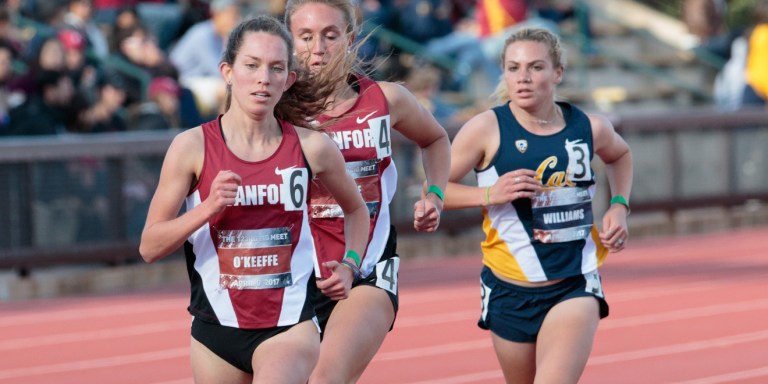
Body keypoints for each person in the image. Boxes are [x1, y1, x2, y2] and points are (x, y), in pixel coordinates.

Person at [138, 15, 370, 383]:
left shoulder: (312, 147)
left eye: (276, 68)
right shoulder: (190, 148)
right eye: (252, 65)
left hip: (288, 327)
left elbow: (357, 209)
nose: (264, 78)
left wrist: (351, 264)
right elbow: (150, 246)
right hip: (215, 330)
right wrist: (208, 208)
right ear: (227, 72)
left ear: (288, 80)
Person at [442, 28, 633, 383]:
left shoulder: (589, 127)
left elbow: (620, 155)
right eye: (513, 68)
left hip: (573, 282)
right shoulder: (486, 128)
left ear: (558, 73)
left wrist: (619, 205)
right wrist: (488, 194)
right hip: (508, 288)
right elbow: (433, 189)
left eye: (535, 67)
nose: (523, 78)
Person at [284, 1, 451, 382]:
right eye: (306, 37)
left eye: (330, 35)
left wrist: (435, 195)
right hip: (292, 277)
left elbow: (436, 139)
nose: (319, 48)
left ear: (351, 40)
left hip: (368, 270)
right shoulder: (275, 108)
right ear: (288, 43)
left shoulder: (386, 100)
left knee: (324, 378)